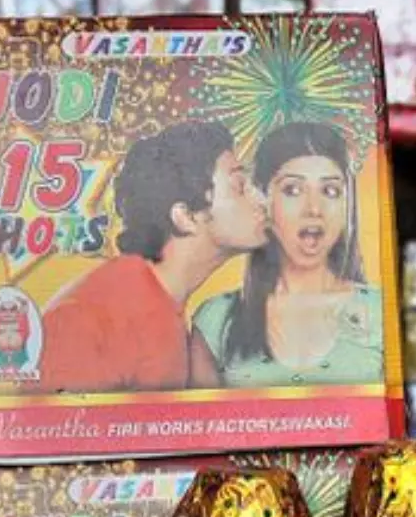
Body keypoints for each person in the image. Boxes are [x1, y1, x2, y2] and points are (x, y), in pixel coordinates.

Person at [38, 122, 267, 392]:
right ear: (185, 217)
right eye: (239, 187)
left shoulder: (162, 306)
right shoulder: (91, 319)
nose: (261, 201)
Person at [192, 121, 384, 386]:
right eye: (292, 189)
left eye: (330, 191)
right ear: (263, 200)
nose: (314, 209)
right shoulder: (217, 320)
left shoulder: (382, 311)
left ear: (346, 205)